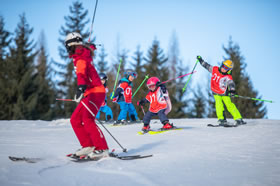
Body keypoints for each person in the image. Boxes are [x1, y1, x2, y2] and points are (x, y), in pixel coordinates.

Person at [65, 32, 109, 159]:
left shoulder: (80, 55)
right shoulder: (81, 53)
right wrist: (90, 47)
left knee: (87, 119)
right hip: (89, 92)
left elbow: (82, 73)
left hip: (96, 92)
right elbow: (88, 53)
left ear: (71, 44)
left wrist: (80, 87)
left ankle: (102, 149)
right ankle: (88, 146)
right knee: (75, 120)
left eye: (67, 46)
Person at [197, 55, 246, 126]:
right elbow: (207, 66)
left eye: (226, 68)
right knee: (218, 105)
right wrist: (201, 60)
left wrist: (232, 90)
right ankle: (221, 119)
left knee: (229, 105)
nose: (223, 68)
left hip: (224, 93)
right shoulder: (215, 69)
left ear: (229, 70)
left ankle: (238, 118)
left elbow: (231, 83)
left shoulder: (227, 76)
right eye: (223, 66)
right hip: (215, 92)